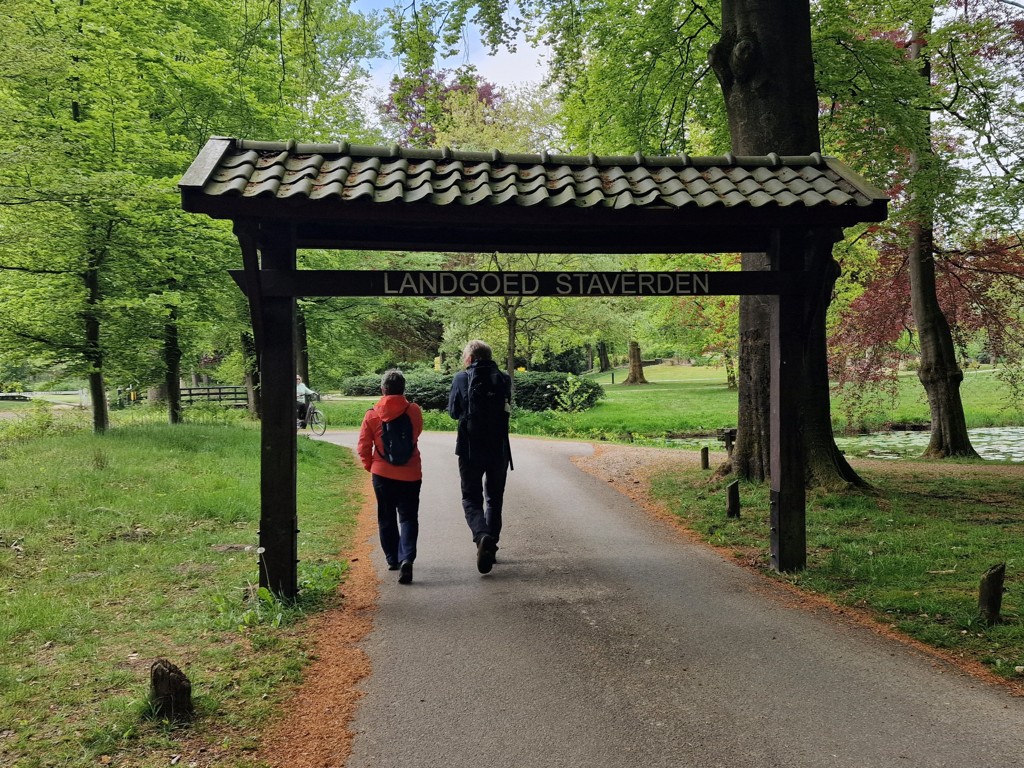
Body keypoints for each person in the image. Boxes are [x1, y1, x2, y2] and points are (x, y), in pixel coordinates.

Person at [448, 340, 513, 574]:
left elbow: (454, 412)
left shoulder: (461, 378)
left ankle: (481, 535)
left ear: (470, 358)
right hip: (498, 448)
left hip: (469, 449)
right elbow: (508, 407)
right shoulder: (503, 378)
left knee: (471, 498)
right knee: (494, 499)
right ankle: (491, 548)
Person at [357, 369, 423, 585]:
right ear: (403, 389)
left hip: (382, 474)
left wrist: (372, 467)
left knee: (386, 516)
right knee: (408, 517)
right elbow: (416, 434)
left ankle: (393, 559)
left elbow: (364, 447)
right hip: (411, 473)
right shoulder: (413, 411)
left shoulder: (372, 414)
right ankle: (407, 558)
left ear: (382, 389)